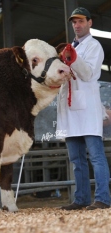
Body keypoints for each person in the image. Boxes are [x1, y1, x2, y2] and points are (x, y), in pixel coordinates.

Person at [57, 7, 111, 210]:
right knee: (76, 159)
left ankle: (103, 199)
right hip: (70, 110)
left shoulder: (94, 46)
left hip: (87, 108)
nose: (77, 25)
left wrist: (74, 58)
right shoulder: (70, 47)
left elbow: (88, 74)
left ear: (90, 23)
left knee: (96, 156)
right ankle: (81, 199)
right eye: (74, 22)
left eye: (80, 21)